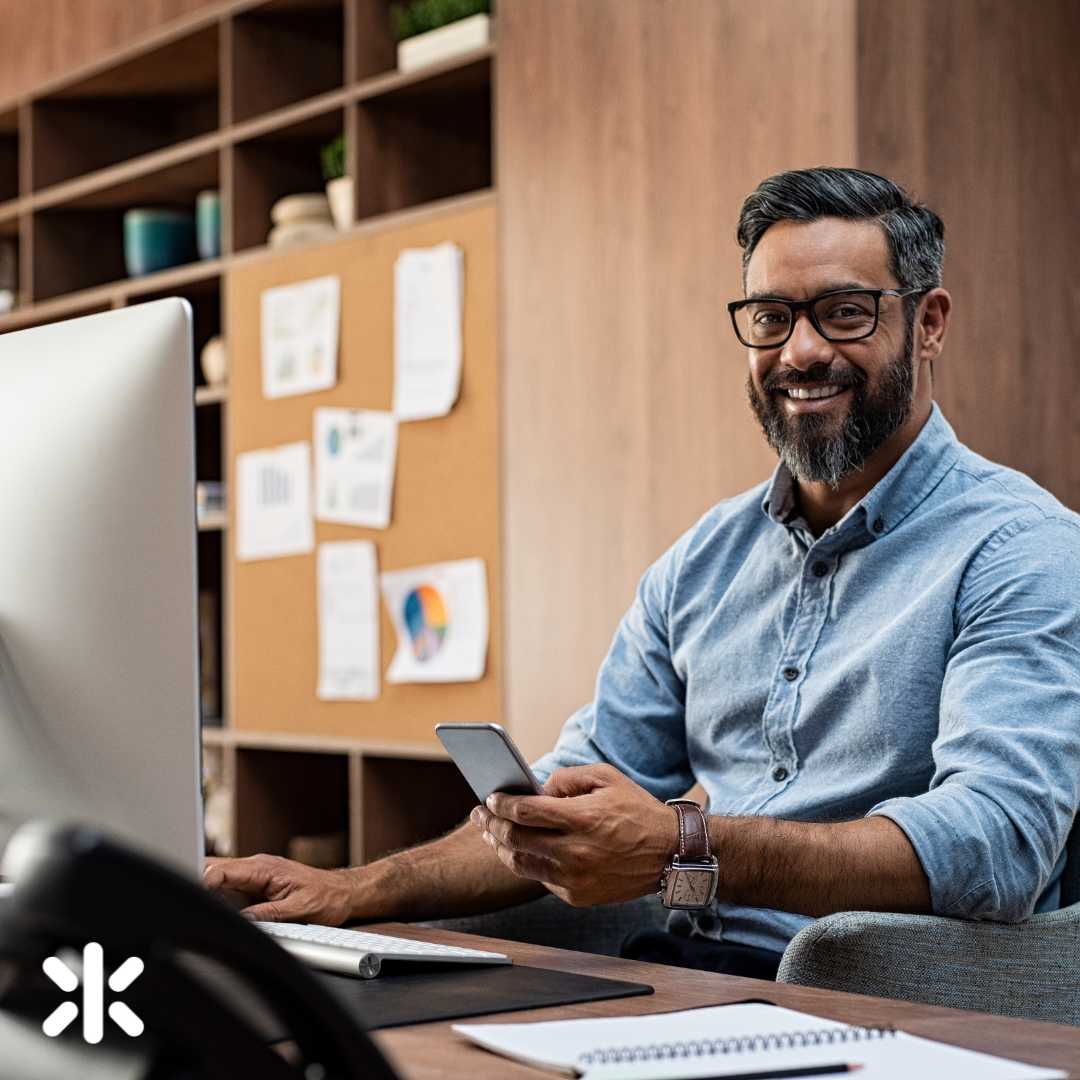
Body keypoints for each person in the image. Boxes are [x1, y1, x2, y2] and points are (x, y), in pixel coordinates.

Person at [205, 167, 1080, 980]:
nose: (800, 352)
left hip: (873, 1005)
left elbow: (995, 846)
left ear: (929, 324)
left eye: (844, 312)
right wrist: (356, 892)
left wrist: (684, 844)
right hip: (682, 976)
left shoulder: (1020, 550)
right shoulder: (702, 563)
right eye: (772, 317)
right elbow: (572, 787)